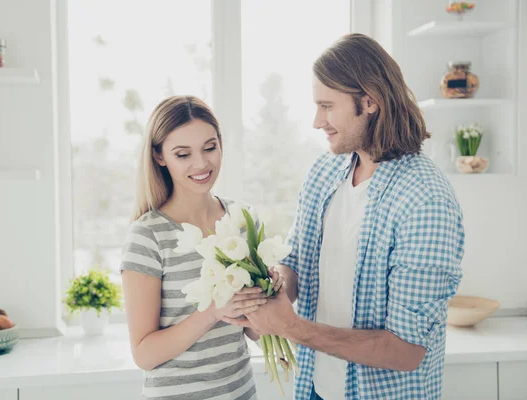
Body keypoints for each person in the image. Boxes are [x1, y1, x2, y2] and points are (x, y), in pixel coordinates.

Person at [223, 33, 465, 400]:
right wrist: (263, 294)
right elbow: (296, 264)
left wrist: (291, 327)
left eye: (326, 106)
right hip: (316, 389)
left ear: (369, 101)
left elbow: (406, 350)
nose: (317, 121)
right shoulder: (324, 172)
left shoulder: (424, 199)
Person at [121, 95, 277, 400]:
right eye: (183, 154)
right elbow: (144, 354)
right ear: (160, 157)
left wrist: (268, 295)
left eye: (209, 148)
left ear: (220, 143)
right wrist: (214, 311)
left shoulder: (242, 219)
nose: (202, 164)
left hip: (241, 392)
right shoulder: (148, 235)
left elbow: (255, 331)